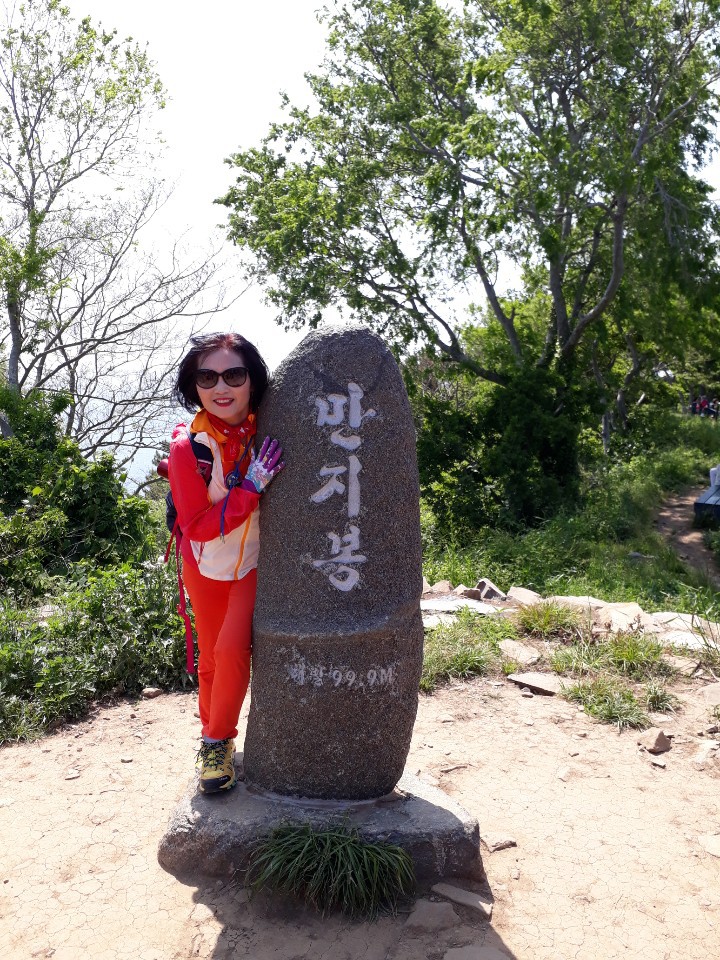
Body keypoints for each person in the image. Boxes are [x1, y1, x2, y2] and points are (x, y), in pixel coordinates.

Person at [168, 332, 284, 793]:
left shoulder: (270, 429)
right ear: (193, 385)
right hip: (203, 564)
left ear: (252, 380)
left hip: (254, 563)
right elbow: (197, 525)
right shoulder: (188, 450)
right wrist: (249, 489)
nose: (221, 387)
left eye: (233, 375)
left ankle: (217, 740)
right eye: (207, 377)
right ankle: (212, 737)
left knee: (233, 650)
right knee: (212, 659)